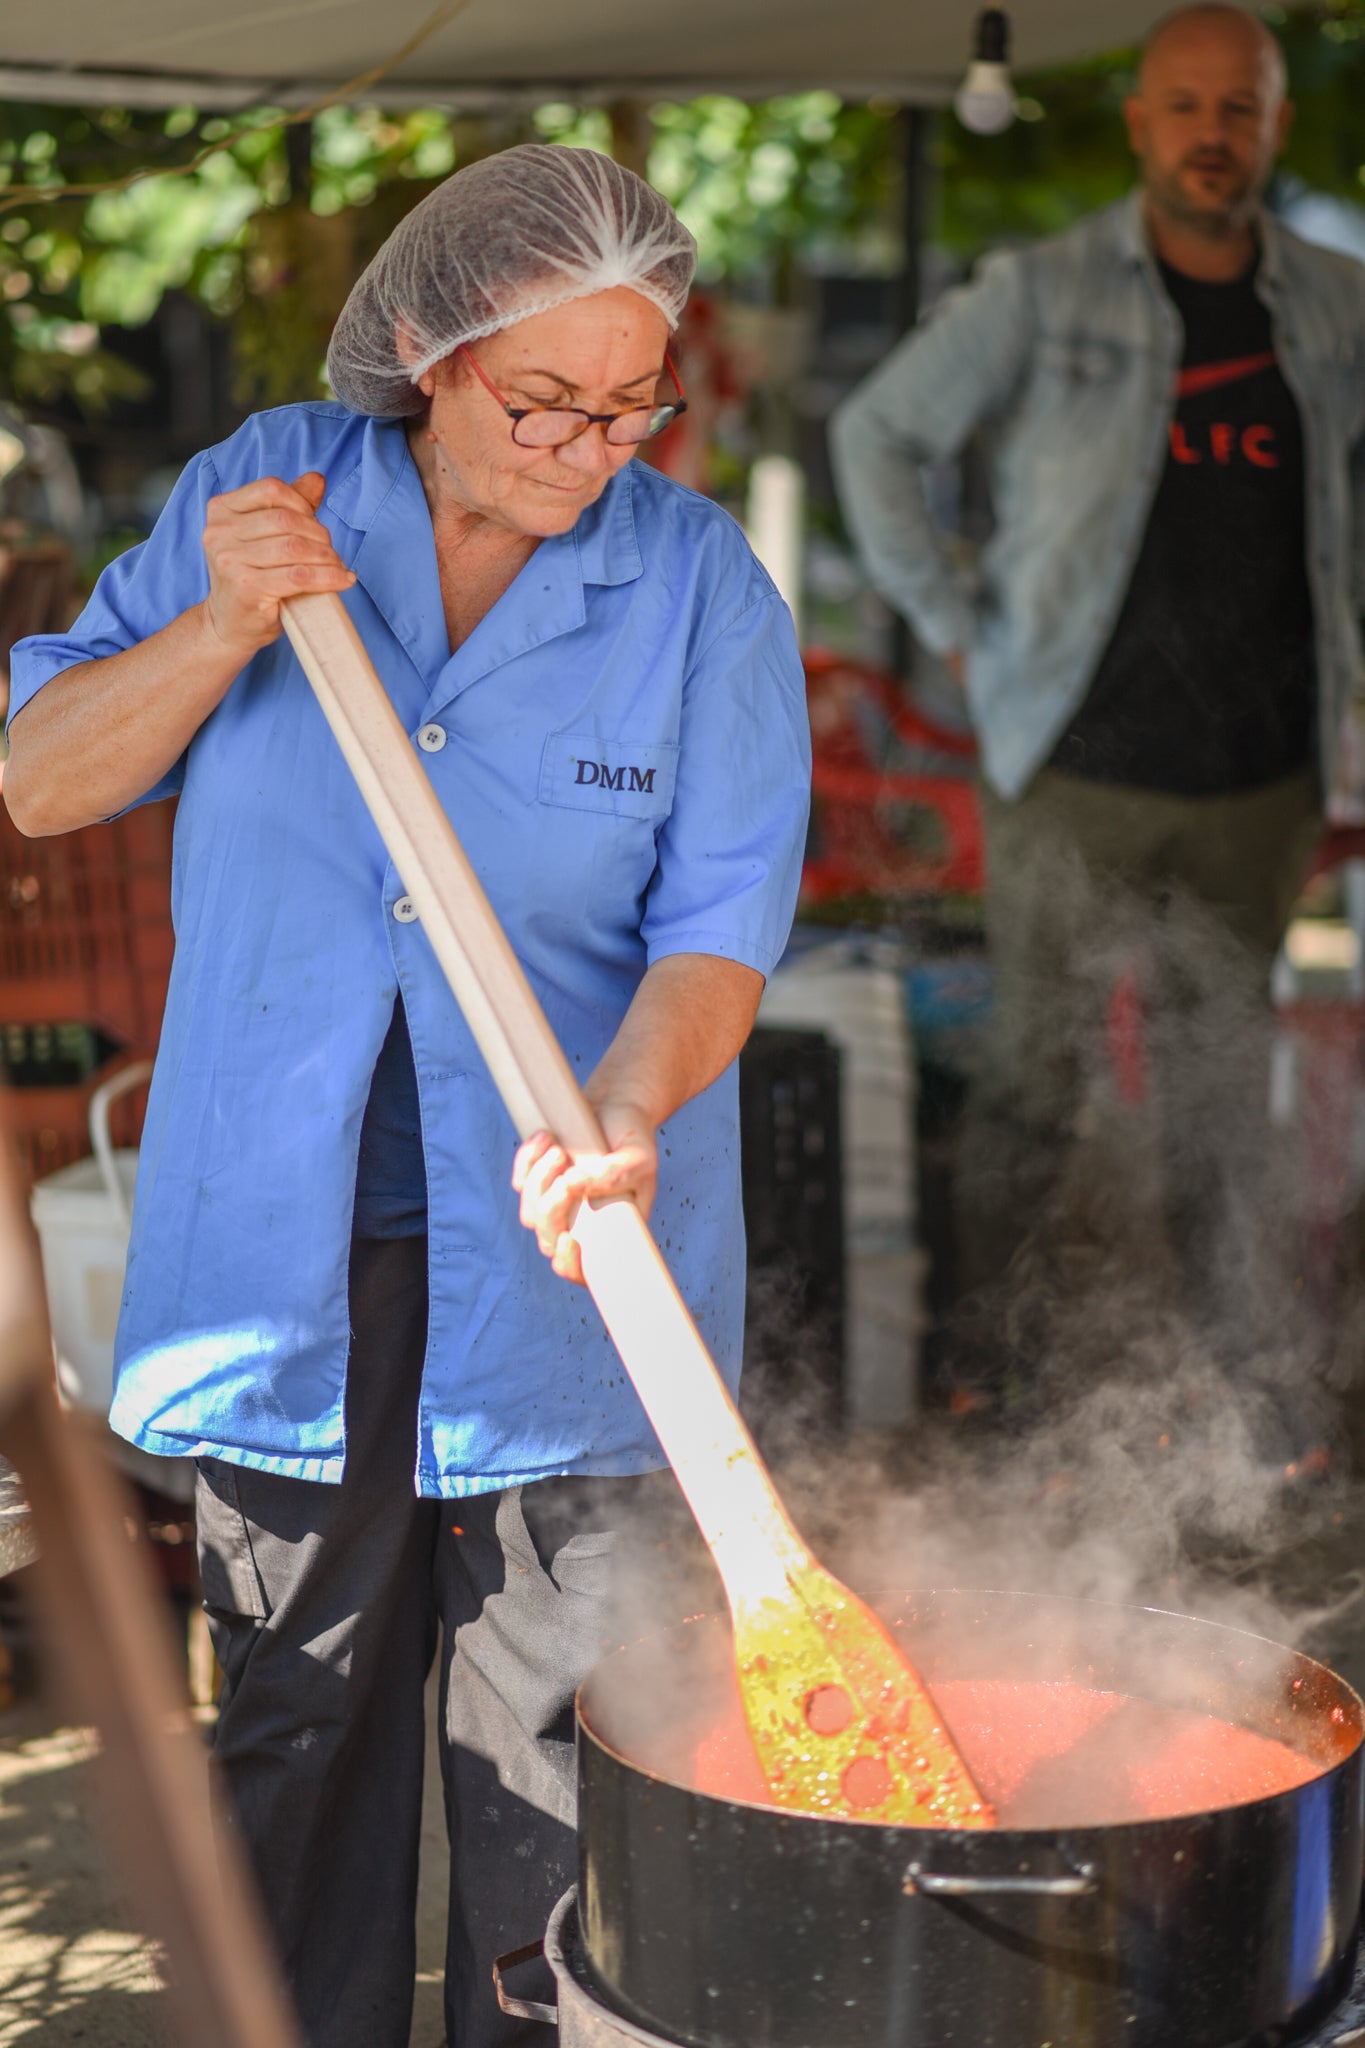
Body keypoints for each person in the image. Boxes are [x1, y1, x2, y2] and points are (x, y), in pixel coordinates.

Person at [4, 144, 810, 2047]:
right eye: (544, 401)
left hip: (565, 1231)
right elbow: (40, 779)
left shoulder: (701, 590)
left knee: (552, 1748)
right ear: (430, 355)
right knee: (298, 1712)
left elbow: (718, 929)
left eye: (629, 409)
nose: (588, 447)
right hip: (279, 1237)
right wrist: (214, 624)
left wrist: (625, 1099)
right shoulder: (259, 496)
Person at [831, 4, 1365, 1340]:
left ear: (1274, 125)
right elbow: (876, 432)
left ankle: (1228, 1387)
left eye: (1236, 108)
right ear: (1139, 121)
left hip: (1261, 774)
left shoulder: (1338, 301)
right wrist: (951, 616)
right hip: (1071, 760)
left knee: (1220, 1082)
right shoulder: (1043, 288)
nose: (1209, 134)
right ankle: (995, 1374)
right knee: (1031, 1076)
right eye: (1183, 106)